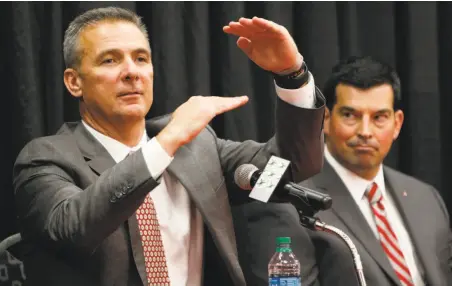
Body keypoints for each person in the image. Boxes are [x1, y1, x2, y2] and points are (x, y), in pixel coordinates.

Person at [12, 6, 325, 286]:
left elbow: (290, 165)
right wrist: (165, 143)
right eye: (110, 60)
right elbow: (73, 230)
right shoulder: (45, 159)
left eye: (141, 58)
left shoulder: (198, 149)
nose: (131, 72)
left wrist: (291, 76)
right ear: (74, 81)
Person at [300, 56, 452, 285]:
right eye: (350, 115)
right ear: (326, 120)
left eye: (379, 117)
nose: (365, 131)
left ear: (397, 124)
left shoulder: (426, 198)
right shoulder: (298, 199)